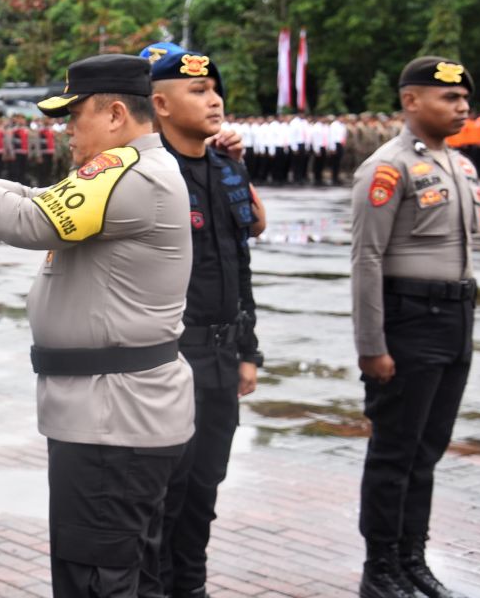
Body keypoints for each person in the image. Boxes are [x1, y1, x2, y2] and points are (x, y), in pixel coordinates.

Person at [0, 53, 194, 597]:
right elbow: (38, 200)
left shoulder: (130, 173)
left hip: (113, 420)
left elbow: (29, 221)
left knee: (95, 579)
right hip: (116, 412)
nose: (66, 133)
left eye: (73, 118)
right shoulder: (139, 171)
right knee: (127, 573)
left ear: (112, 115)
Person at [351, 57, 480, 598]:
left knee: (427, 451)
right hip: (409, 320)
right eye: (449, 98)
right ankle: (380, 569)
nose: (462, 108)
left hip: (455, 319)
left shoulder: (461, 165)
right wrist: (372, 346)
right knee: (394, 452)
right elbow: (366, 260)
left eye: (464, 100)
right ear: (411, 101)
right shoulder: (388, 167)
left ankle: (412, 559)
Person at [141, 43, 263, 598]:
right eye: (198, 91)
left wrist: (248, 350)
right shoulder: (144, 170)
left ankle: (191, 588)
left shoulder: (224, 164)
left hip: (220, 355)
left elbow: (240, 259)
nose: (214, 101)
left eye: (215, 89)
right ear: (159, 105)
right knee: (164, 496)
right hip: (171, 357)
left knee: (203, 494)